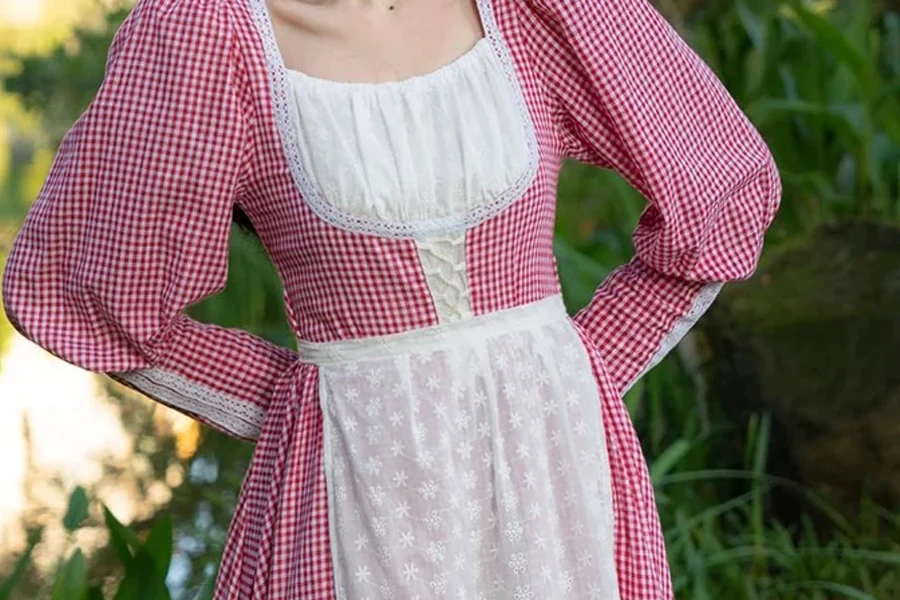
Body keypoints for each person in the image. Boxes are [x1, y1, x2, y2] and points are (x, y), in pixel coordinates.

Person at [1, 0, 782, 597]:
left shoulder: (535, 9)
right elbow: (82, 293)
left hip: (558, 459)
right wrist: (291, 401)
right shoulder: (206, 32)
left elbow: (720, 183)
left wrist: (584, 362)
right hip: (353, 473)